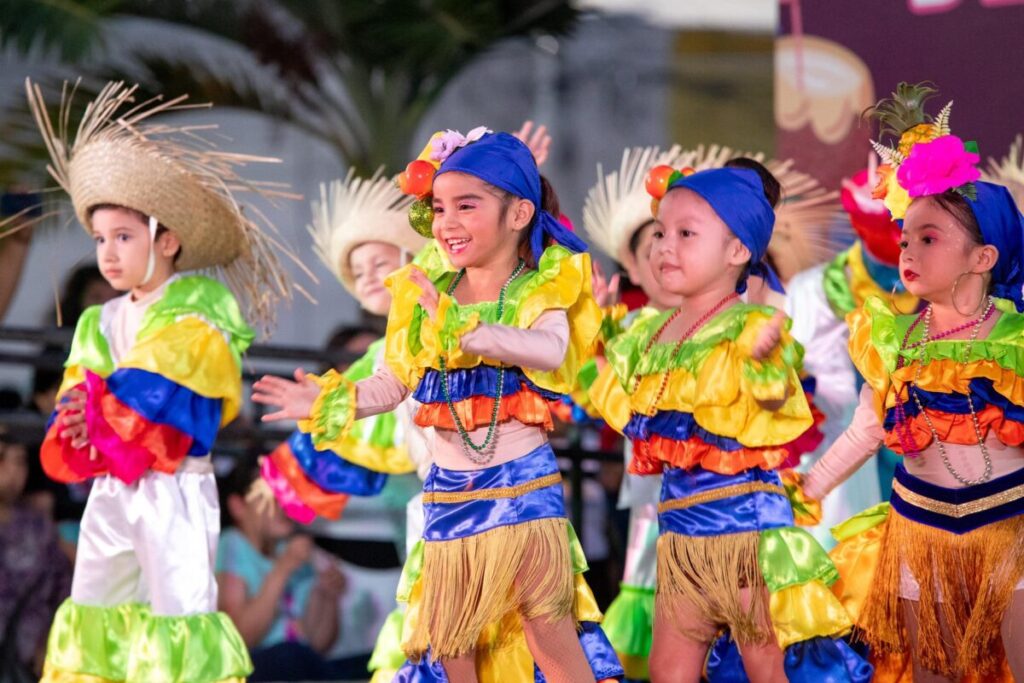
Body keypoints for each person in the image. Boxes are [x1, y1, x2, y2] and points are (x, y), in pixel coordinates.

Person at [253, 129, 623, 682]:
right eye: (439, 207)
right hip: (447, 499)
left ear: (520, 213)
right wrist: (335, 399)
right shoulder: (427, 293)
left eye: (466, 206)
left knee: (548, 634)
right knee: (452, 645)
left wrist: (473, 333)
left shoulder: (538, 285)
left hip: (521, 492)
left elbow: (550, 350)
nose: (446, 221)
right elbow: (394, 381)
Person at [23, 79, 292, 683]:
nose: (109, 254)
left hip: (172, 490)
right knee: (97, 607)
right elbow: (79, 397)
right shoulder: (99, 318)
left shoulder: (200, 306)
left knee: (178, 615)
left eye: (124, 237)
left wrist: (100, 409)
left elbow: (166, 392)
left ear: (166, 239)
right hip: (113, 492)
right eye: (100, 239)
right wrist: (77, 417)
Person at [588, 161, 870, 683]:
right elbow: (633, 416)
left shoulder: (750, 326)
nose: (665, 246)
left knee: (764, 667)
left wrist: (766, 365)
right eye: (661, 233)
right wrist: (599, 351)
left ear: (738, 252)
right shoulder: (653, 332)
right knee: (668, 671)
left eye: (686, 234)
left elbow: (774, 407)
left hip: (744, 535)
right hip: (678, 540)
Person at [804, 82, 1024, 681]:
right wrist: (807, 488)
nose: (908, 250)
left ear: (983, 258)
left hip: (1007, 529)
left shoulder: (1015, 342)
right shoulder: (894, 338)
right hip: (917, 529)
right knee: (929, 670)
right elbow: (865, 431)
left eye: (930, 239)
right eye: (906, 238)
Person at [217, 457, 345, 682]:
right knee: (290, 655)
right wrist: (283, 568)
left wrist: (327, 595)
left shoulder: (293, 551)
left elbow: (317, 645)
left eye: (288, 493)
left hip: (294, 664)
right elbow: (240, 639)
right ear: (238, 506)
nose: (284, 503)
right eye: (270, 495)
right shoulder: (231, 545)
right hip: (255, 668)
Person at [0, 428, 72, 679]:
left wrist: (51, 641)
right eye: (3, 459)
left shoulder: (37, 526)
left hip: (29, 658)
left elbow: (63, 588)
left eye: (20, 461)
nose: (13, 471)